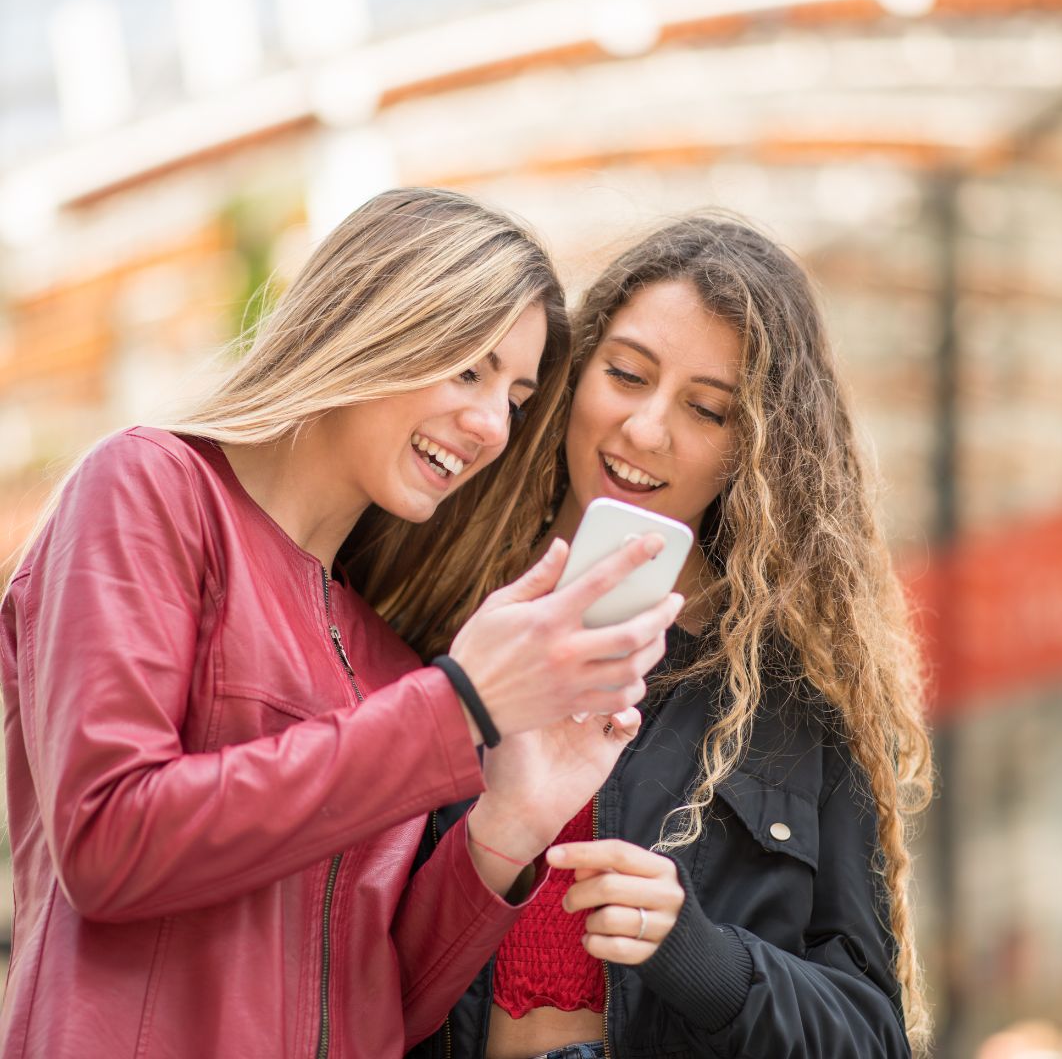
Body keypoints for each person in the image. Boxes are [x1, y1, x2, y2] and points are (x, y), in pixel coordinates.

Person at [0, 188, 683, 1059]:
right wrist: (459, 704)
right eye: (469, 368)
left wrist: (510, 823)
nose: (490, 427)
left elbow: (375, 1002)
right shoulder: (149, 490)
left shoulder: (389, 659)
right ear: (375, 320)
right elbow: (109, 843)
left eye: (514, 397)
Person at [411, 214, 934, 1059]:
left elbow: (872, 1037)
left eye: (708, 410)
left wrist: (706, 959)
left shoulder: (792, 704)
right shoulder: (442, 615)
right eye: (625, 374)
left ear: (756, 451)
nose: (647, 430)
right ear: (575, 374)